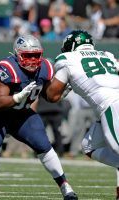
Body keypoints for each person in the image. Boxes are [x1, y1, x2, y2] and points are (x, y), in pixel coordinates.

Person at [0, 34, 77, 200]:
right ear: (17, 54)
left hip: (22, 113)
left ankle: (65, 186)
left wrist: (60, 94)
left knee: (43, 144)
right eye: (27, 56)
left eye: (35, 55)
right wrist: (17, 97)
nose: (32, 60)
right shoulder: (7, 67)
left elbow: (48, 96)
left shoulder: (46, 66)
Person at [45, 29, 119, 199]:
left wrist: (66, 86)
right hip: (110, 104)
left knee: (116, 148)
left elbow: (52, 96)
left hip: (110, 105)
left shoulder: (66, 59)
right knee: (89, 146)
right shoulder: (106, 55)